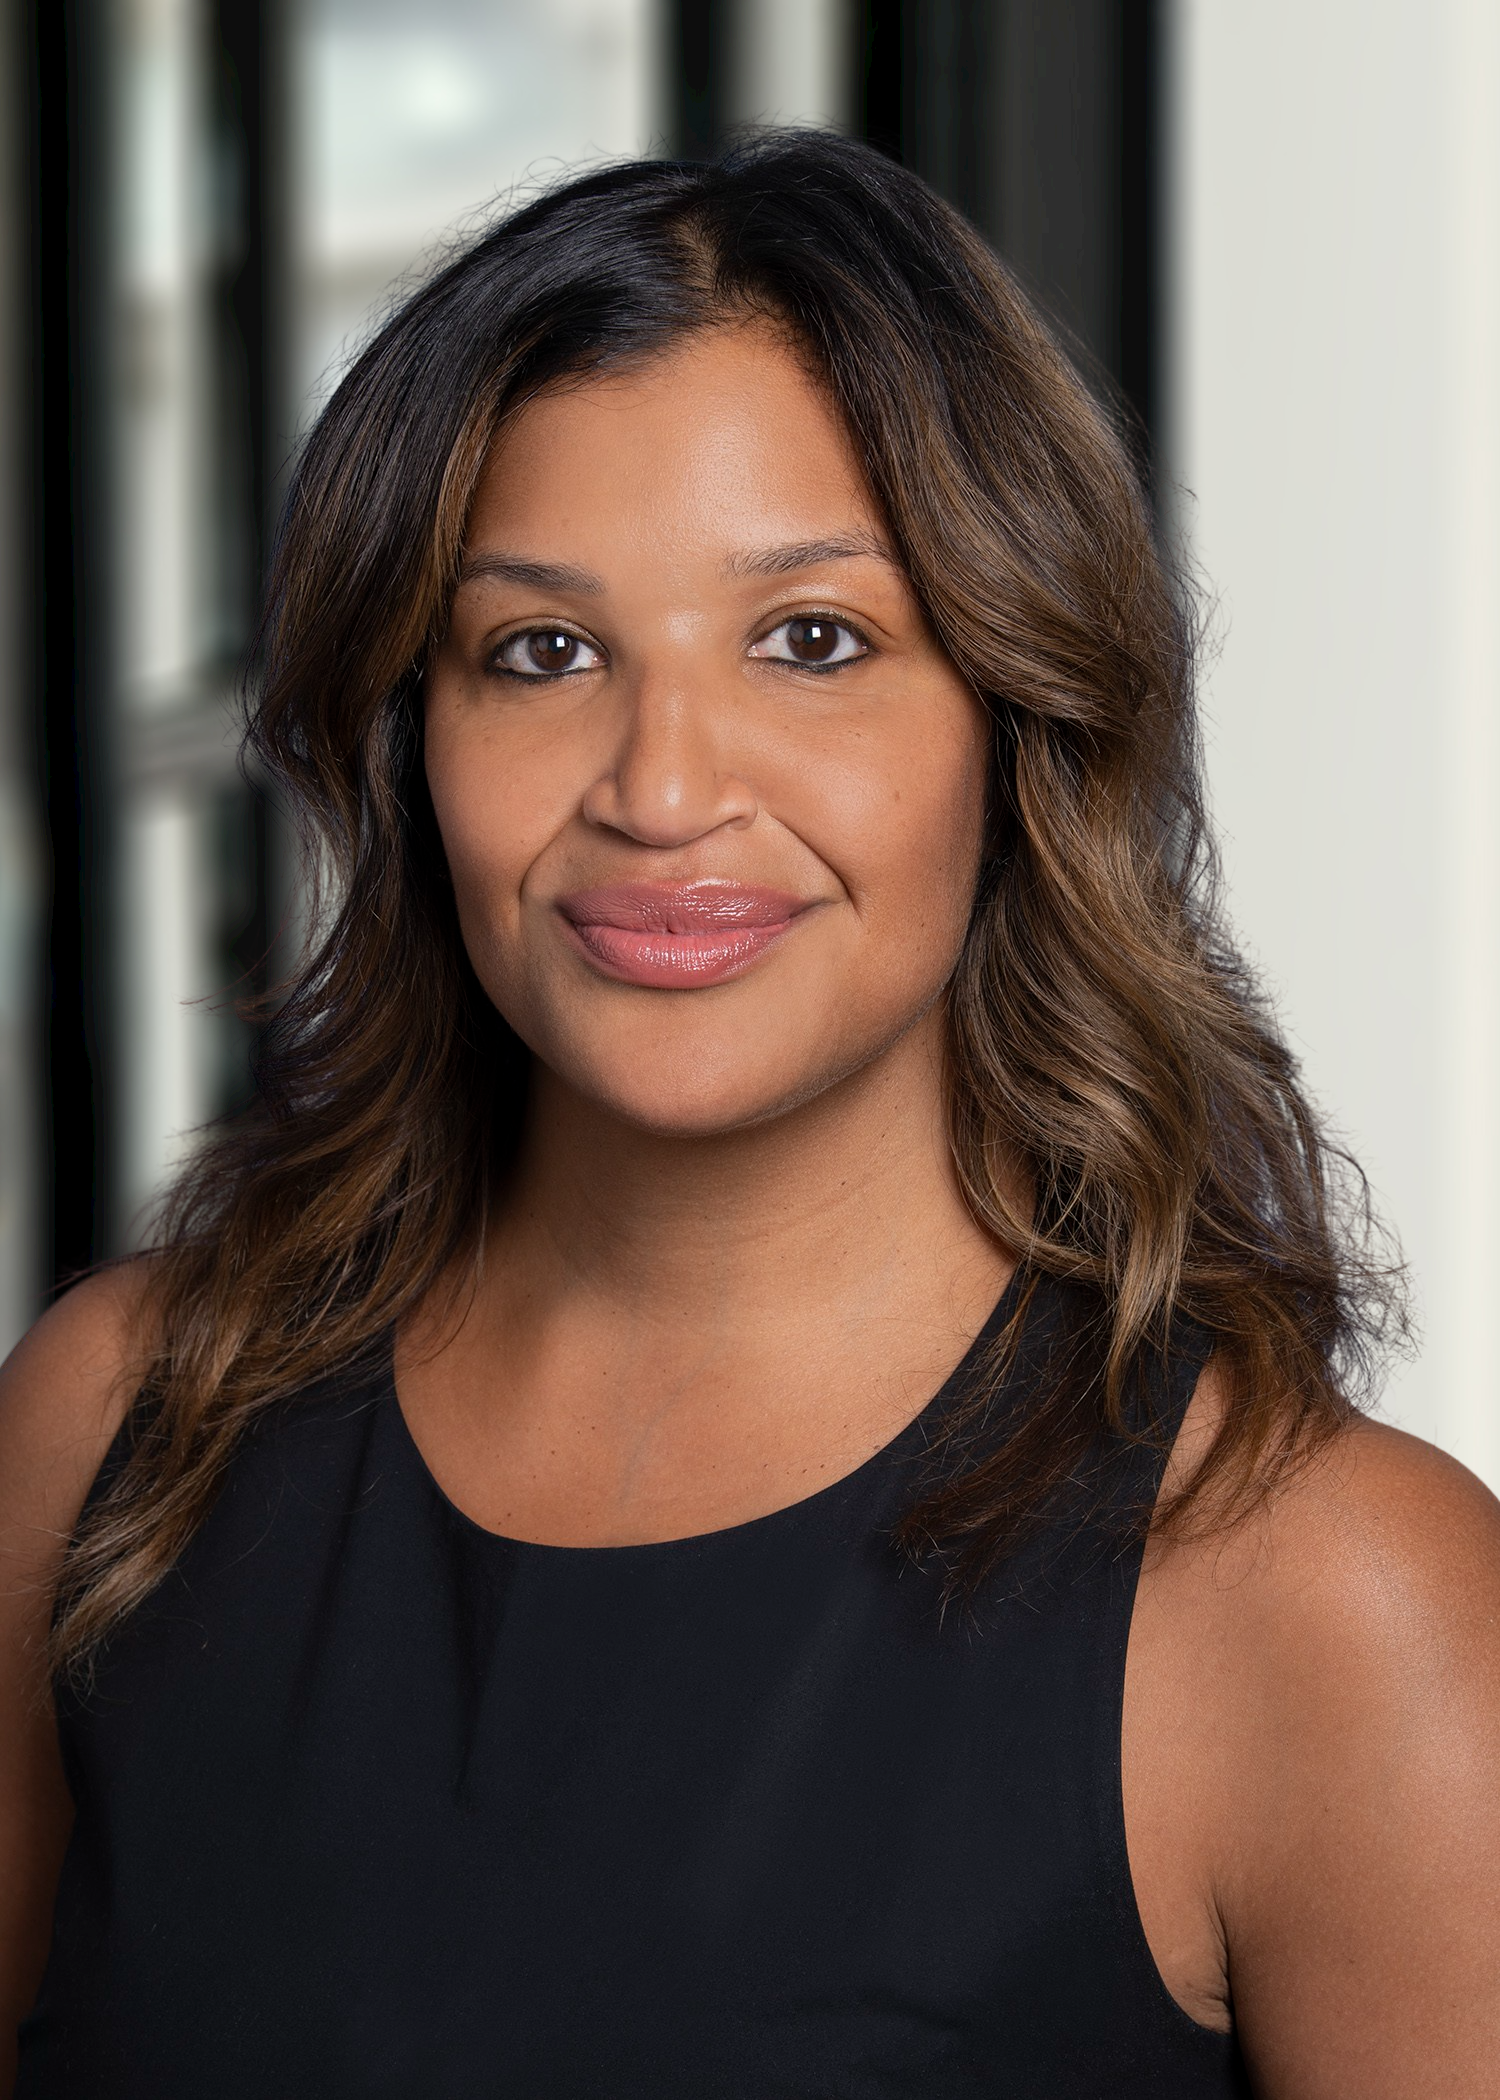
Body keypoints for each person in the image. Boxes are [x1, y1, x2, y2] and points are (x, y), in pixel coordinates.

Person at [2, 130, 1497, 2097]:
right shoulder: (122, 1428)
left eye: (812, 640)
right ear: (411, 738)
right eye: (539, 651)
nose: (661, 785)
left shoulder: (1329, 1599)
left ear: (1016, 711)